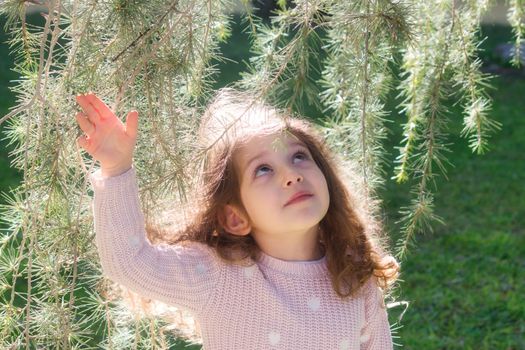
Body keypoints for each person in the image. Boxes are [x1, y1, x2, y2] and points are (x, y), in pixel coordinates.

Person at [75, 88, 400, 350]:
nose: (291, 175)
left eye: (299, 156)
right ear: (235, 217)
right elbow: (129, 262)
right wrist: (116, 169)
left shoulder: (354, 275)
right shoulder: (217, 274)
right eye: (263, 169)